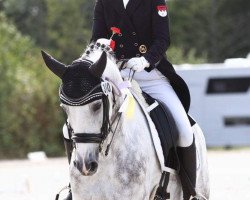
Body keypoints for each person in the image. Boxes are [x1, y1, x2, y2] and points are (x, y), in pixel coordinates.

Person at [64, 0, 198, 199]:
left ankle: (190, 192)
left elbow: (163, 39)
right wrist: (100, 45)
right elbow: (96, 38)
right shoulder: (104, 2)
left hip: (151, 76)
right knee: (68, 128)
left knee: (185, 132)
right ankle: (73, 186)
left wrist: (146, 60)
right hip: (115, 76)